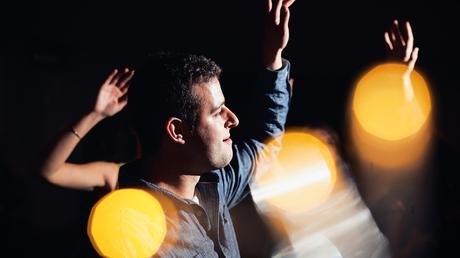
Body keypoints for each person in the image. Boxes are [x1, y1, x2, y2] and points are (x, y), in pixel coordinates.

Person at [40, 0, 295, 256]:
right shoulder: (139, 232)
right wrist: (95, 114)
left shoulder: (213, 186)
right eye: (217, 112)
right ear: (177, 131)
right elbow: (50, 171)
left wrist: (273, 61)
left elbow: (265, 143)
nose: (234, 119)